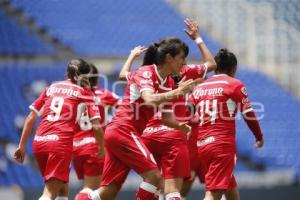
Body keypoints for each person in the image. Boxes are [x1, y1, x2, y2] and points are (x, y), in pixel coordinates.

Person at [80, 37, 199, 200]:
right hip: (123, 130)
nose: (184, 63)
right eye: (182, 58)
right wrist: (178, 92)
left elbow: (165, 117)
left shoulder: (169, 82)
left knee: (108, 192)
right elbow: (149, 99)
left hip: (123, 134)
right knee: (154, 177)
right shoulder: (146, 72)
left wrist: (180, 126)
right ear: (169, 58)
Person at [14, 59, 104, 200]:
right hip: (60, 144)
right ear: (86, 76)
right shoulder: (85, 92)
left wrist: (21, 146)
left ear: (67, 73)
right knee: (49, 193)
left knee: (62, 189)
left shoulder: (52, 87)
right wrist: (102, 147)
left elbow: (31, 118)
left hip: (39, 142)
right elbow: (97, 125)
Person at [189, 49, 264, 200]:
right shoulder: (234, 84)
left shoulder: (199, 88)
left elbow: (188, 111)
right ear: (234, 69)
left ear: (215, 68)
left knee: (230, 188)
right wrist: (259, 136)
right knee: (213, 193)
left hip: (203, 145)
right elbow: (248, 113)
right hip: (221, 145)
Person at [74, 64, 119, 199]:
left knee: (91, 188)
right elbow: (124, 105)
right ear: (96, 79)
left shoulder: (73, 95)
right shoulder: (103, 94)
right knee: (93, 190)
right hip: (95, 146)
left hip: (76, 147)